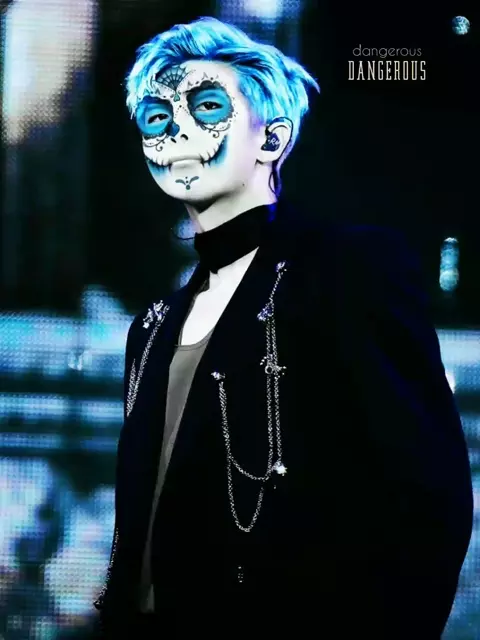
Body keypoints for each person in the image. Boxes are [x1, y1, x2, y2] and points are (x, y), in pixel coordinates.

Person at [93, 16, 473, 639]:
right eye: (157, 117)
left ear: (272, 137)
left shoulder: (345, 272)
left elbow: (428, 497)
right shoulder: (154, 325)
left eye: (206, 107)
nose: (176, 131)